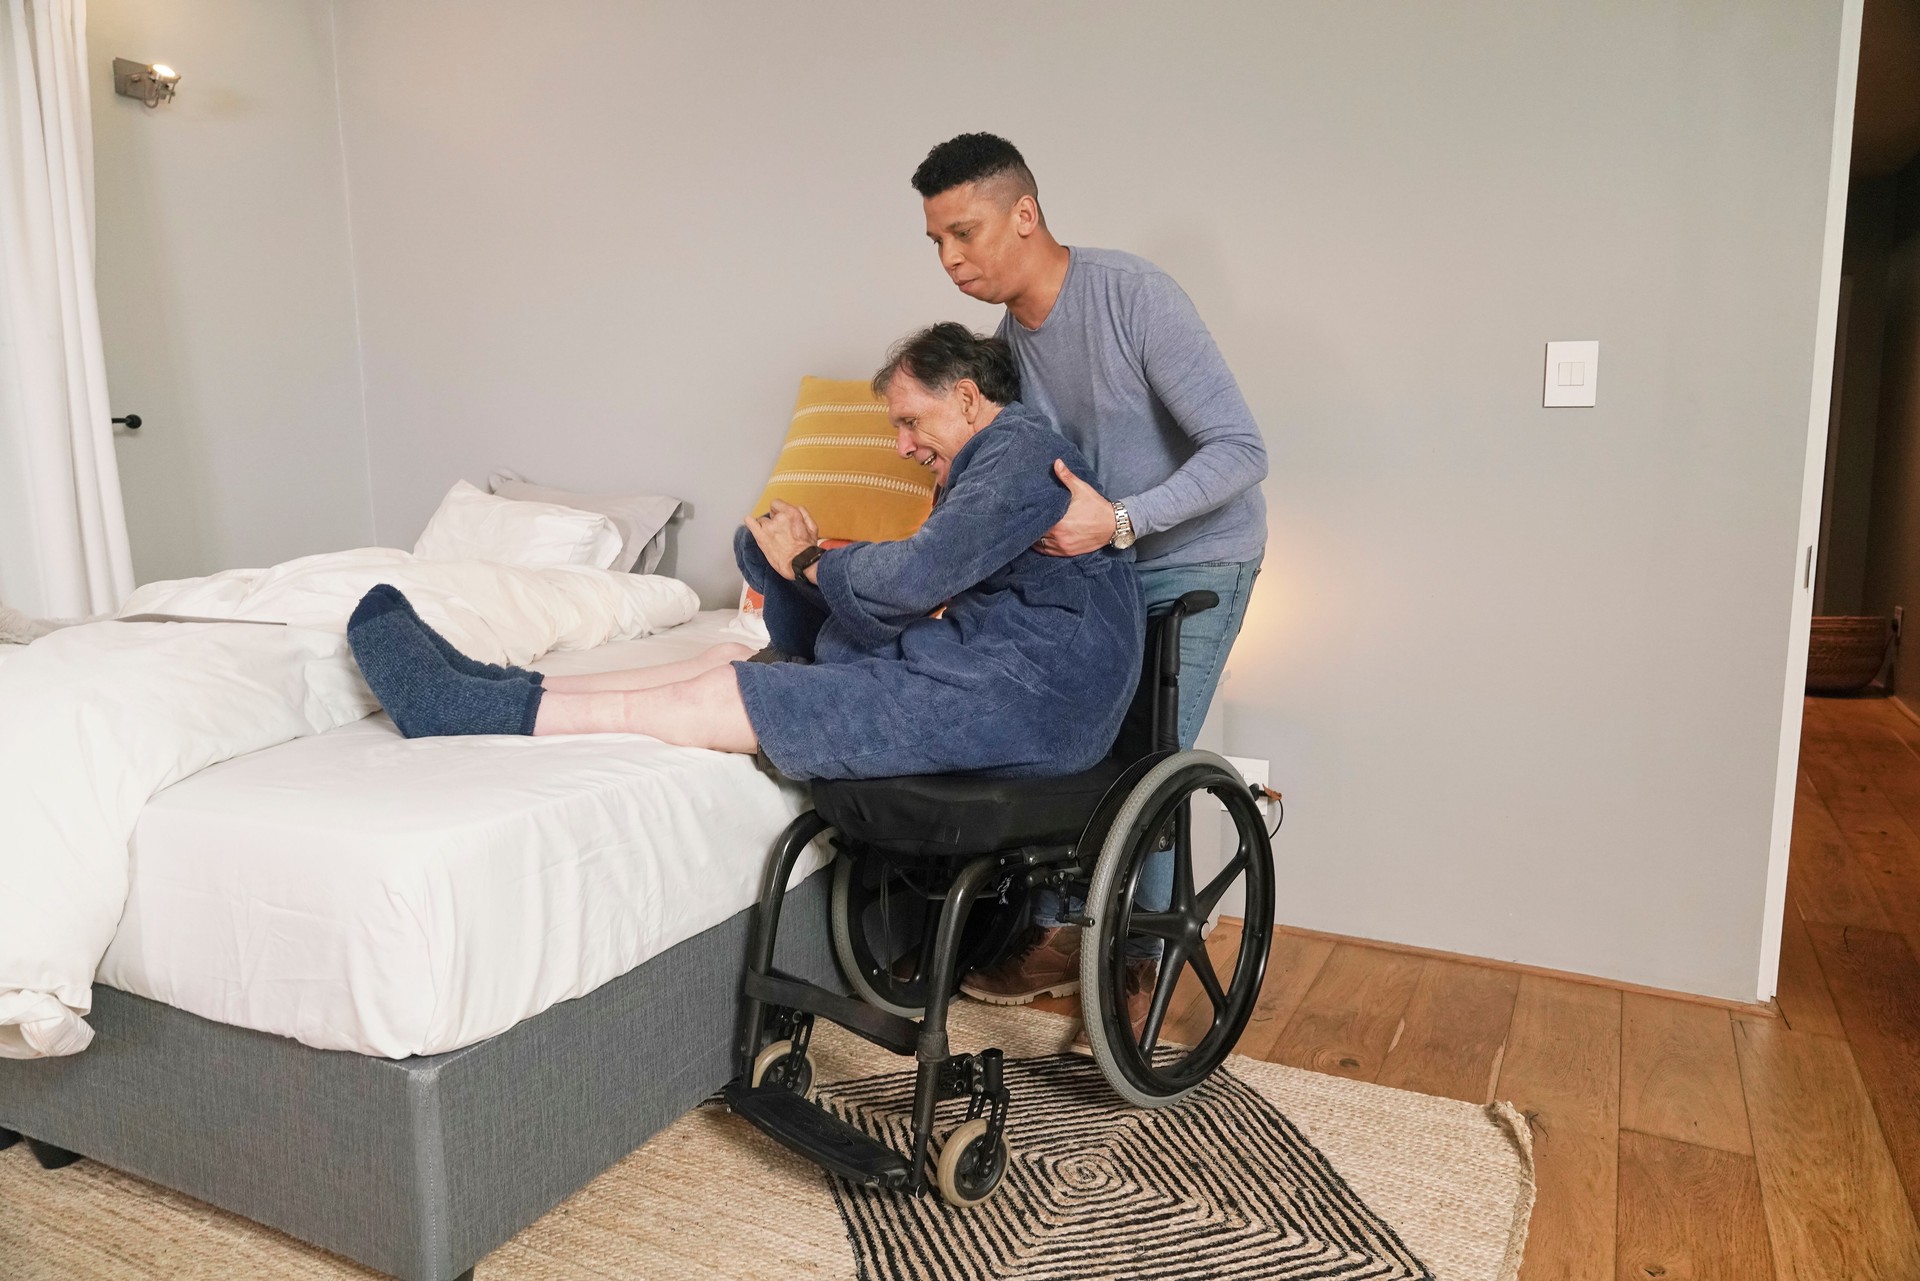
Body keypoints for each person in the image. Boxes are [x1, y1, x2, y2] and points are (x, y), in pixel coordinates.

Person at [344, 323, 1145, 784]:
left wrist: (807, 563)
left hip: (1035, 697)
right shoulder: (992, 459)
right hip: (997, 672)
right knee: (746, 663)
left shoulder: (1015, 452)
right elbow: (920, 575)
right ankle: (504, 685)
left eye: (909, 422)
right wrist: (794, 560)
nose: (902, 447)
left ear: (968, 398)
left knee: (737, 690)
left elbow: (916, 575)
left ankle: (467, 709)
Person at [910, 134, 1269, 1029]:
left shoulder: (1132, 296)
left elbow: (1242, 450)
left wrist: (1121, 521)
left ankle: (1139, 956)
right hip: (1098, 566)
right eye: (937, 243)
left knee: (1146, 757)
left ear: (1024, 215)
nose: (951, 259)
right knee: (1065, 745)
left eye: (965, 232)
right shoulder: (1009, 347)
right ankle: (1060, 930)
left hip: (1194, 553)